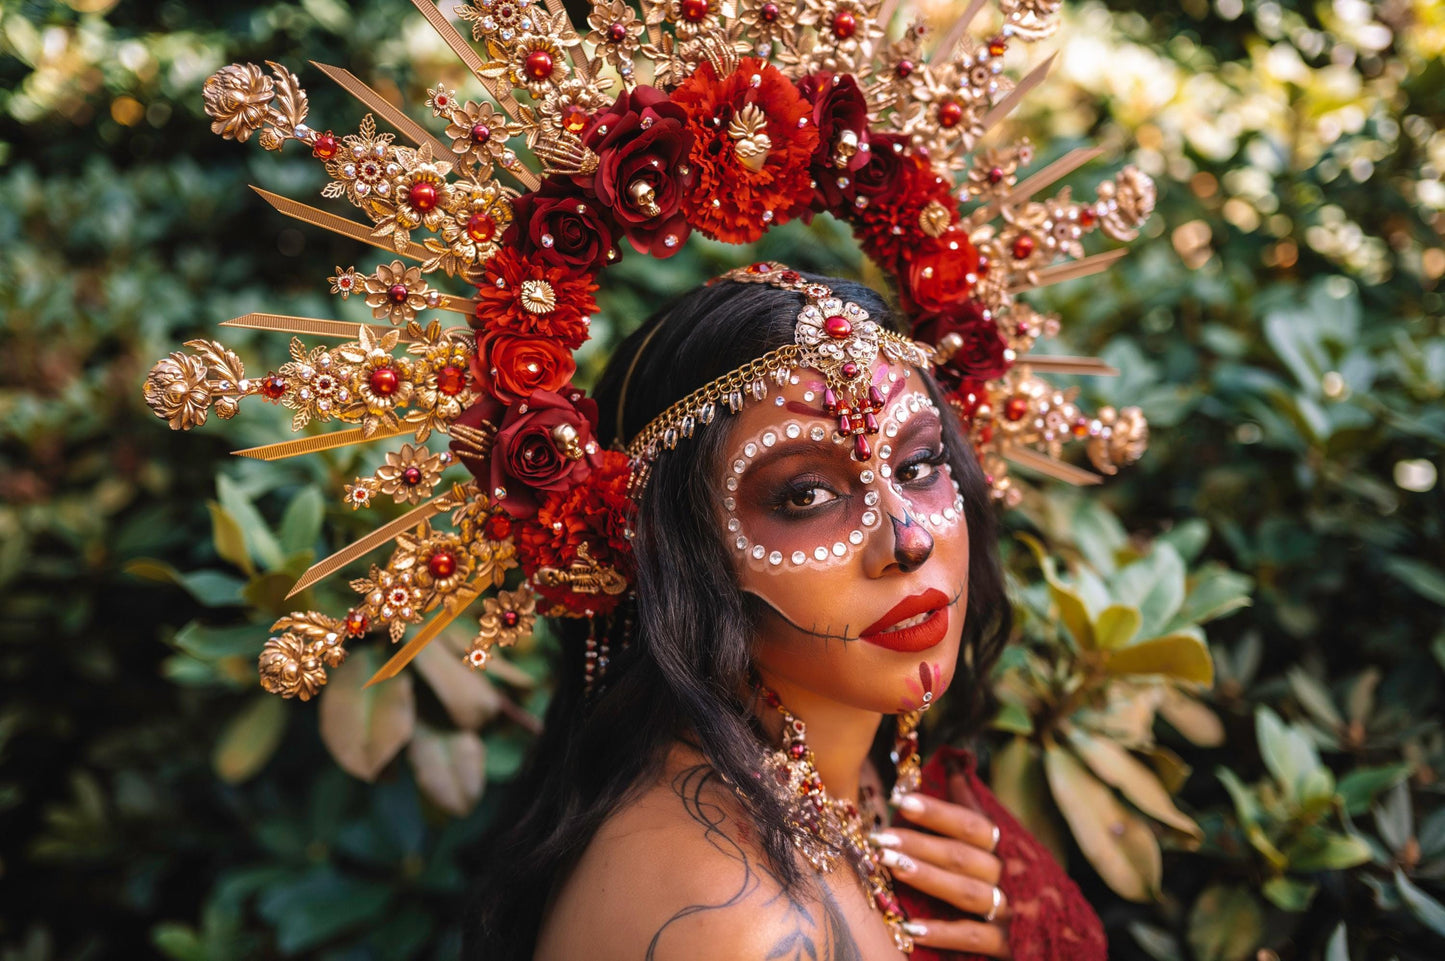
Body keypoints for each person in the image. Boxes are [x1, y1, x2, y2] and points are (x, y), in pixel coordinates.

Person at [464, 271, 1106, 959]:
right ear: (676, 549)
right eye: (805, 495)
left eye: (918, 463)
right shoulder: (738, 922)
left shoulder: (853, 768)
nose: (909, 539)